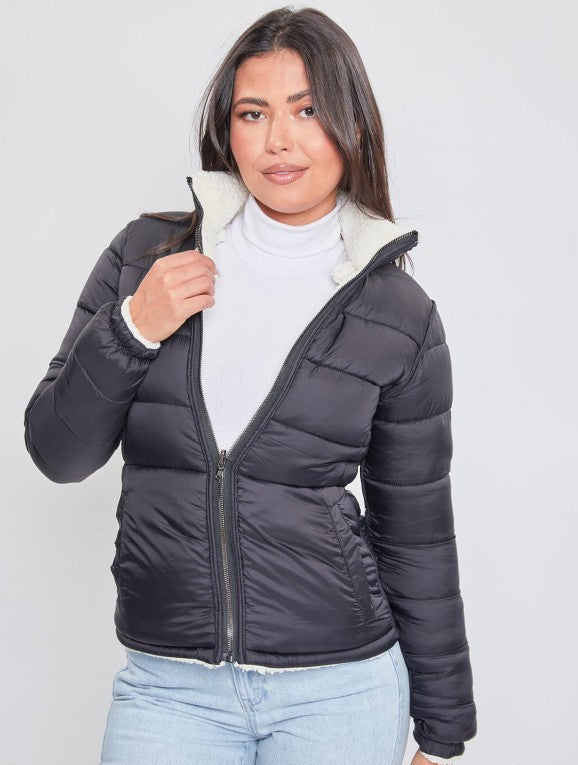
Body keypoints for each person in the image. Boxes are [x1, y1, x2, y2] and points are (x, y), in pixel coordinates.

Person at [23, 7, 477, 765]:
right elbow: (56, 453)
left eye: (307, 110)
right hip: (169, 687)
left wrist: (442, 729)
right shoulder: (143, 258)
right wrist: (133, 327)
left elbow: (417, 530)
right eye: (253, 113)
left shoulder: (398, 313)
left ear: (353, 126)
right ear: (226, 131)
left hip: (340, 692)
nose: (278, 141)